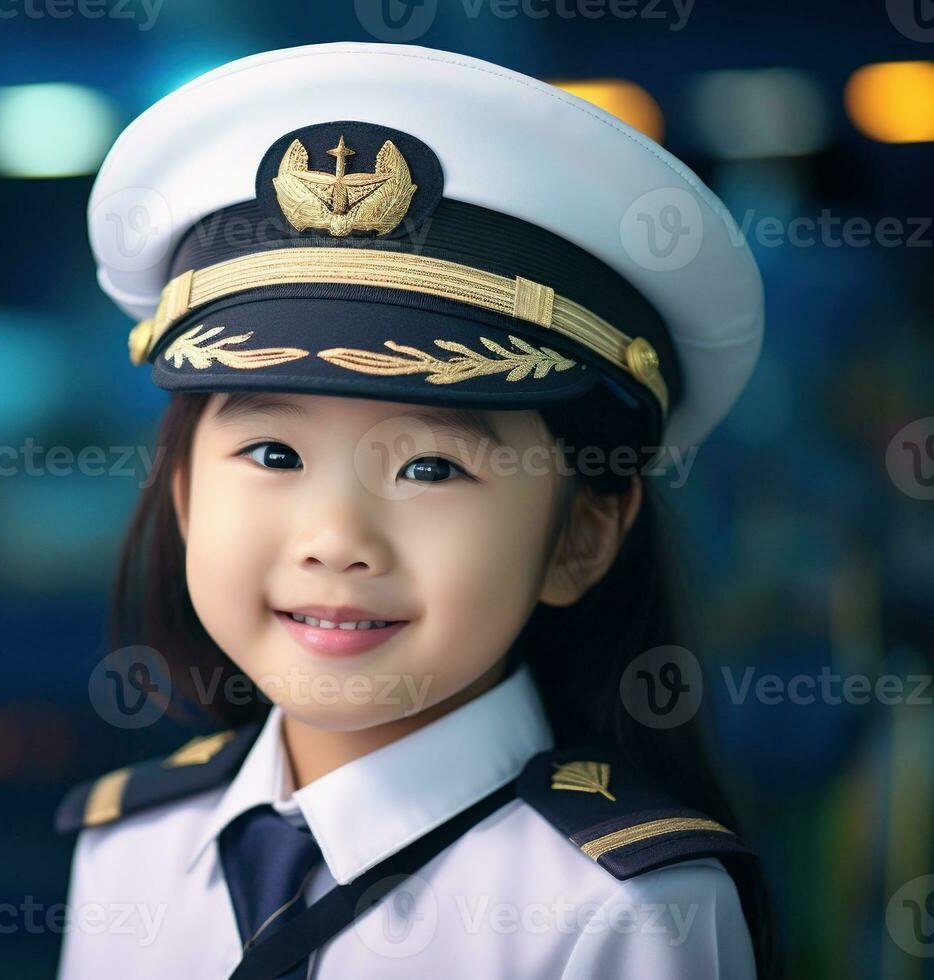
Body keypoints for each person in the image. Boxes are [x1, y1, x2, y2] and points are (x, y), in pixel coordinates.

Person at [55, 42, 776, 979]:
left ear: (582, 534)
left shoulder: (622, 911)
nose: (336, 541)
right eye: (274, 453)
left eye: (432, 468)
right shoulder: (130, 853)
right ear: (185, 496)